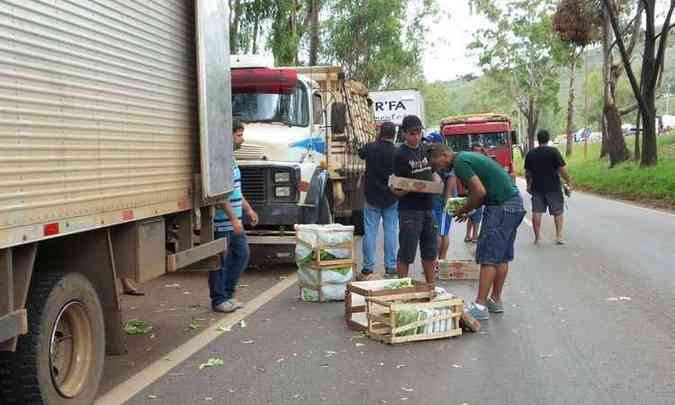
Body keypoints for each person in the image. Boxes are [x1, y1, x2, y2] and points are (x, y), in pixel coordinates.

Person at [428, 143, 526, 321]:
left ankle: (480, 305)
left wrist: (466, 208)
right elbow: (481, 192)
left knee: (488, 256)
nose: (440, 169)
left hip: (500, 207)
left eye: (438, 164)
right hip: (514, 204)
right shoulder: (467, 157)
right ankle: (495, 300)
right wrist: (468, 208)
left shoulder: (460, 163)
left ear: (444, 155)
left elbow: (479, 192)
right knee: (502, 256)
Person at [209, 120, 259, 313]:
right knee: (218, 261)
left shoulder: (231, 158)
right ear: (227, 135)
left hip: (233, 220)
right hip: (222, 221)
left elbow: (235, 190)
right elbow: (221, 194)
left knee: (241, 254)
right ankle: (219, 299)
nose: (242, 139)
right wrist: (233, 219)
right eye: (238, 135)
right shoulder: (221, 159)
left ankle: (228, 295)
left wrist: (248, 210)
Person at [390, 115, 438, 285]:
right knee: (406, 252)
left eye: (418, 132)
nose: (416, 136)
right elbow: (395, 187)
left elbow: (433, 173)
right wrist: (410, 187)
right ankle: (402, 287)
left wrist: (437, 183)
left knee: (430, 251)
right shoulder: (399, 154)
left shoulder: (425, 149)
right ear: (403, 133)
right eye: (412, 133)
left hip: (428, 208)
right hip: (409, 210)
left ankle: (431, 287)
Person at [358, 121, 399, 280]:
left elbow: (360, 152)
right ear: (394, 135)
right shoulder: (397, 151)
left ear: (380, 132)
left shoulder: (370, 147)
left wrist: (374, 139)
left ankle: (367, 268)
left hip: (372, 197)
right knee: (390, 231)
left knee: (370, 232)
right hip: (391, 197)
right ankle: (390, 267)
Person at [524, 129, 573, 245]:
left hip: (537, 188)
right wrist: (568, 180)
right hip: (553, 187)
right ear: (548, 138)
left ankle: (537, 238)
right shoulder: (554, 152)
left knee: (537, 212)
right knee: (558, 212)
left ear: (538, 138)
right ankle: (559, 236)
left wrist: (528, 185)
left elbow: (528, 173)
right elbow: (562, 169)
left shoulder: (531, 154)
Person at [425, 131, 457, 261]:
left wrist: (447, 199)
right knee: (437, 230)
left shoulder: (447, 159)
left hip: (443, 200)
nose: (427, 144)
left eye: (430, 142)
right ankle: (438, 262)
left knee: (440, 232)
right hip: (435, 199)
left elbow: (452, 178)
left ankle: (440, 261)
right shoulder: (431, 157)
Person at [464, 143, 486, 243]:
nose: (477, 152)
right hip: (472, 191)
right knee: (472, 215)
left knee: (475, 215)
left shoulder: (480, 161)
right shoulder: (469, 162)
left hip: (478, 191)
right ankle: (471, 235)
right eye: (475, 150)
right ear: (471, 151)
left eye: (479, 150)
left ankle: (473, 235)